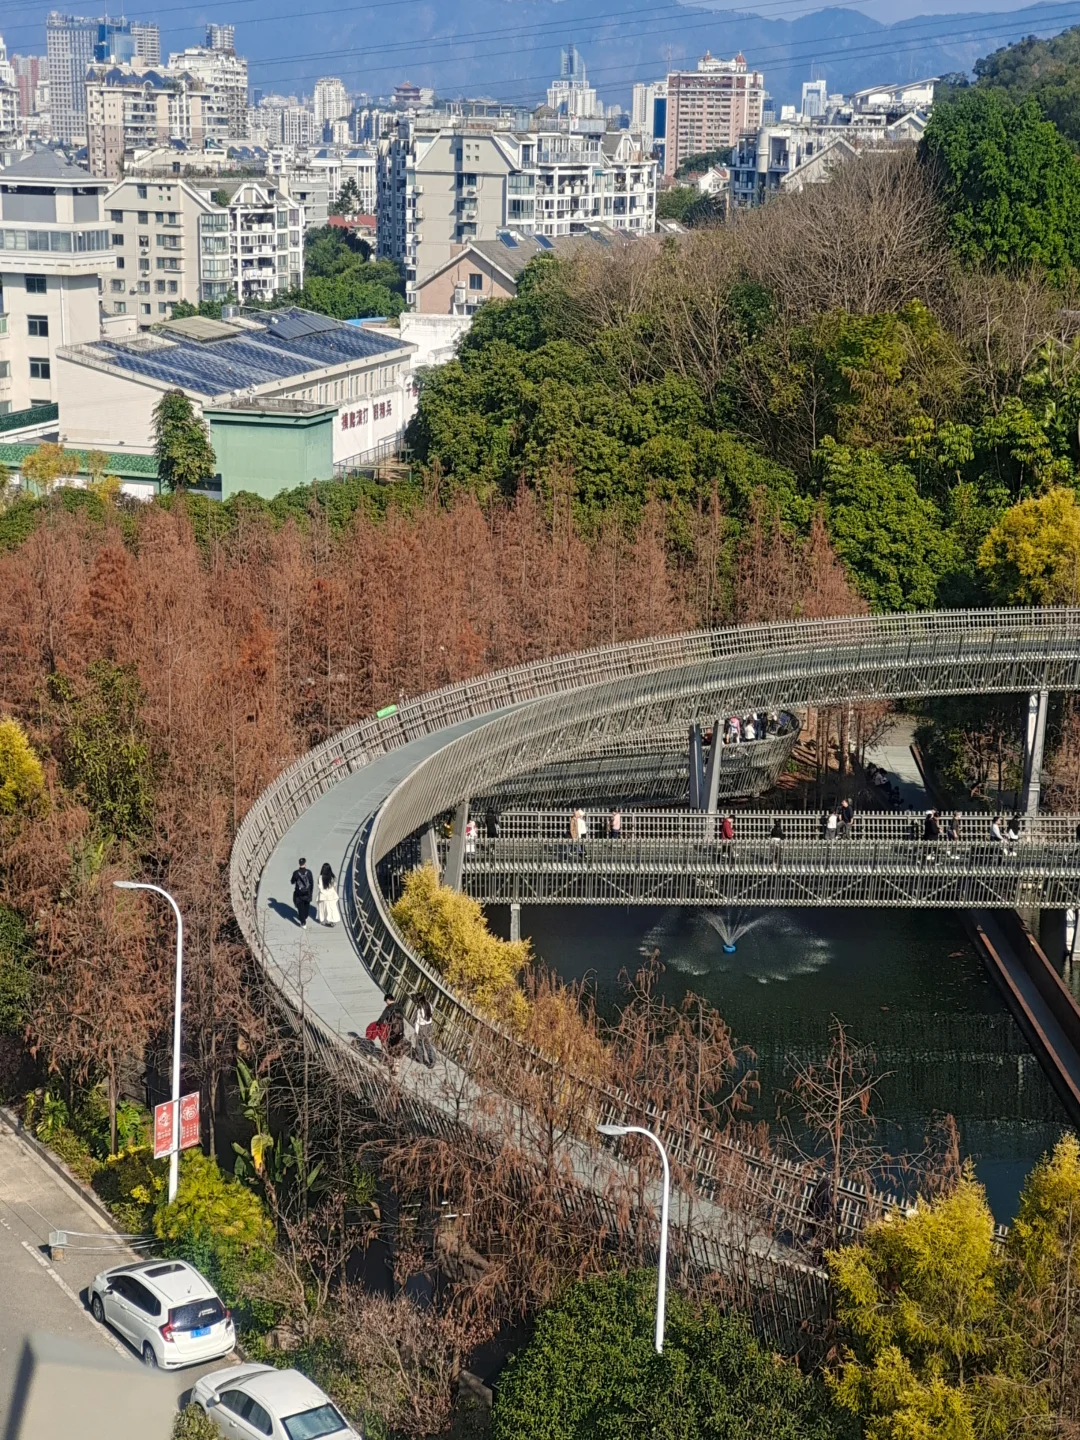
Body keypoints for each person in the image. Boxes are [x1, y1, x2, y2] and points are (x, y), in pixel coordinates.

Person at [376, 992, 406, 1070]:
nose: (386, 1003)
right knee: (398, 1047)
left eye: (386, 1001)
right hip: (401, 1030)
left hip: (392, 1030)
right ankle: (397, 1066)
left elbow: (382, 1018)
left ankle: (391, 1063)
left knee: (389, 1046)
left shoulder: (389, 1008)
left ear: (388, 1000)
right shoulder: (400, 1007)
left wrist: (378, 1023)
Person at [413, 994, 436, 1068]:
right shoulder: (429, 1004)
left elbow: (417, 1021)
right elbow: (432, 1012)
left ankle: (420, 1058)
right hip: (429, 1026)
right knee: (427, 1044)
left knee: (418, 1043)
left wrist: (416, 1032)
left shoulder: (419, 1008)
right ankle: (432, 1060)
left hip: (422, 1027)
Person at [290, 858, 314, 929]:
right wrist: (310, 892)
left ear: (299, 864)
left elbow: (292, 882)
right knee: (306, 906)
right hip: (307, 893)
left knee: (300, 908)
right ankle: (305, 916)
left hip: (299, 893)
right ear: (305, 863)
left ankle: (303, 923)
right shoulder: (309, 872)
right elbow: (311, 883)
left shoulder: (296, 873)